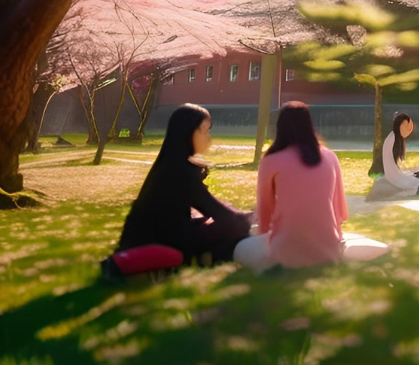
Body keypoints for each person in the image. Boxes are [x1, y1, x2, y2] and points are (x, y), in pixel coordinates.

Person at [234, 102, 388, 274]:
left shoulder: (271, 160)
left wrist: (264, 235)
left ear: (280, 127)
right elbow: (341, 212)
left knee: (241, 247)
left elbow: (265, 211)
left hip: (285, 252)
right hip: (328, 250)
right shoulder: (330, 156)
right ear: (309, 125)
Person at [117, 104, 251, 266]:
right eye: (204, 130)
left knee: (225, 224)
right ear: (188, 132)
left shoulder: (171, 164)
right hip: (160, 241)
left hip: (160, 234)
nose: (208, 138)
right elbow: (219, 213)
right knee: (235, 227)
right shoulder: (180, 171)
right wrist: (251, 218)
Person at [367, 112, 419, 201]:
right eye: (408, 127)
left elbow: (393, 163)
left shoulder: (394, 137)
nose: (410, 130)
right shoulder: (395, 140)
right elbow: (390, 166)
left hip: (386, 172)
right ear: (402, 125)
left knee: (416, 177)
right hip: (385, 174)